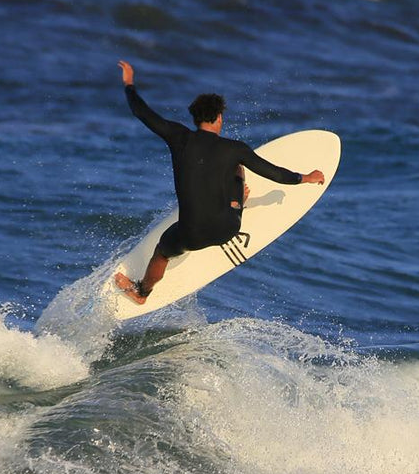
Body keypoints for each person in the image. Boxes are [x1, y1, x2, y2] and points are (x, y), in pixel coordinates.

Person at [112, 60, 325, 304]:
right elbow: (274, 173)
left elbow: (141, 111)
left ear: (195, 118)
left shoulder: (178, 137)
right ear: (219, 118)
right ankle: (236, 203)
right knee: (237, 168)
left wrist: (129, 84)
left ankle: (142, 293)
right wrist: (305, 178)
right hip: (228, 229)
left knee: (161, 254)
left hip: (190, 234)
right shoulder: (234, 148)